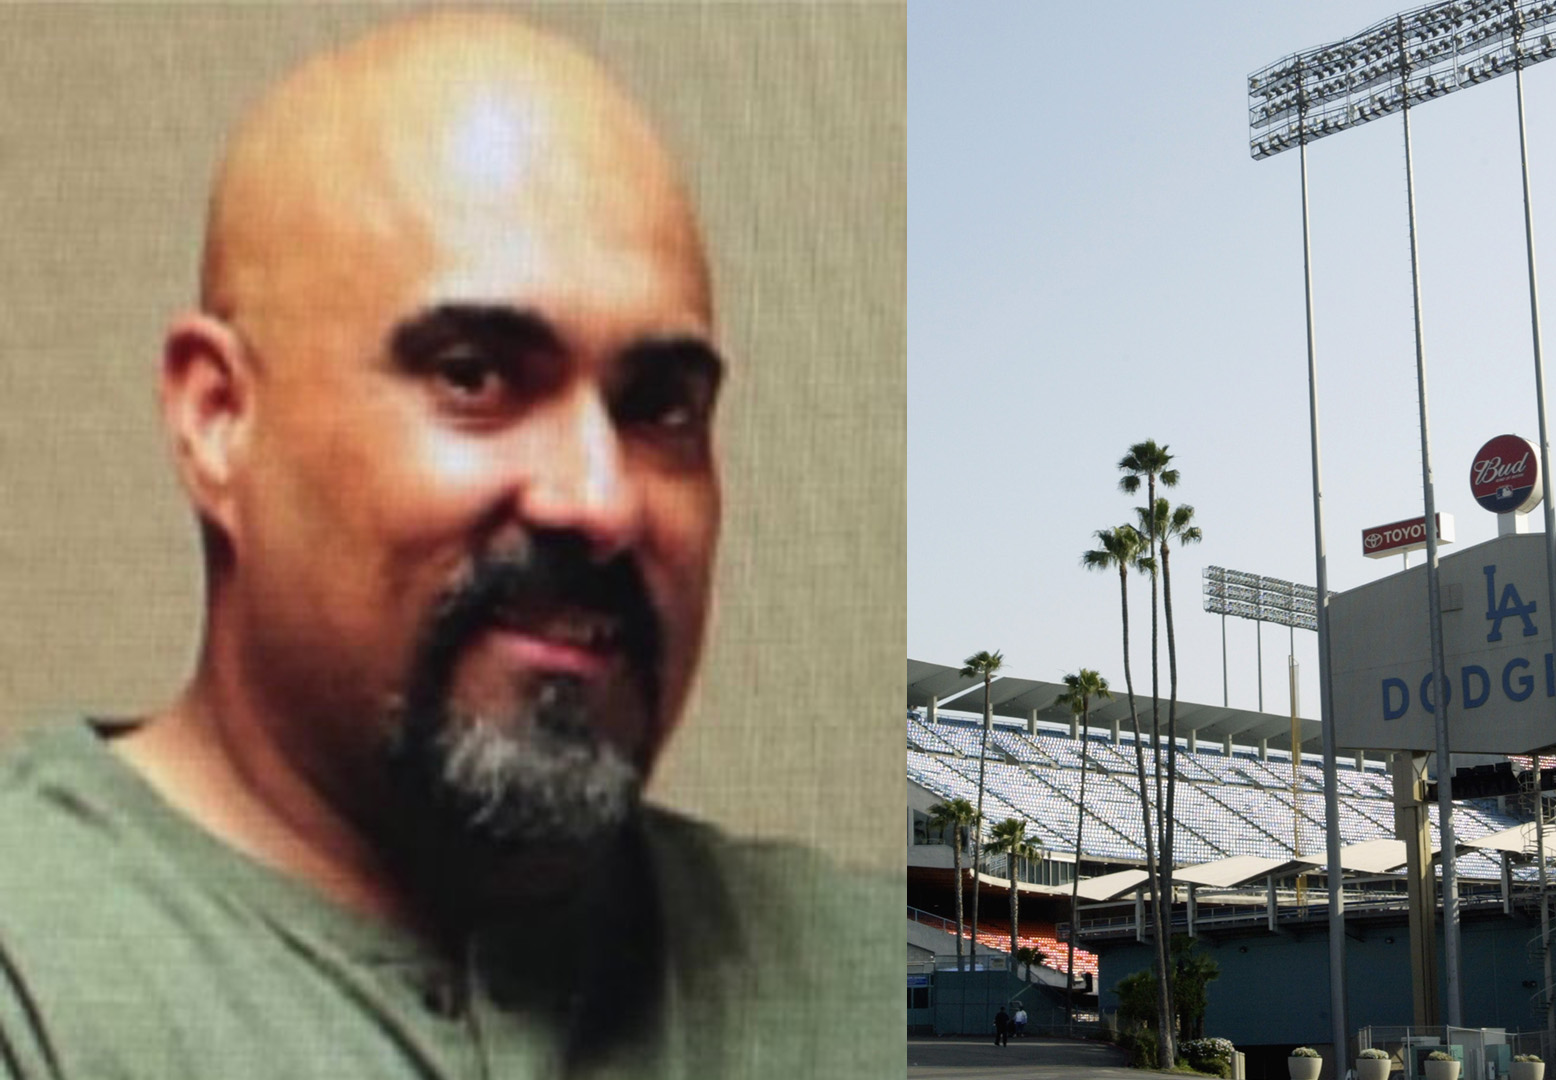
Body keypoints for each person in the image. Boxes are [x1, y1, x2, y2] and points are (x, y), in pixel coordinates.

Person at [0, 12, 893, 1079]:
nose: (601, 501)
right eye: (474, 376)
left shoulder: (884, 984)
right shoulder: (40, 976)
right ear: (218, 421)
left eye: (659, 409)